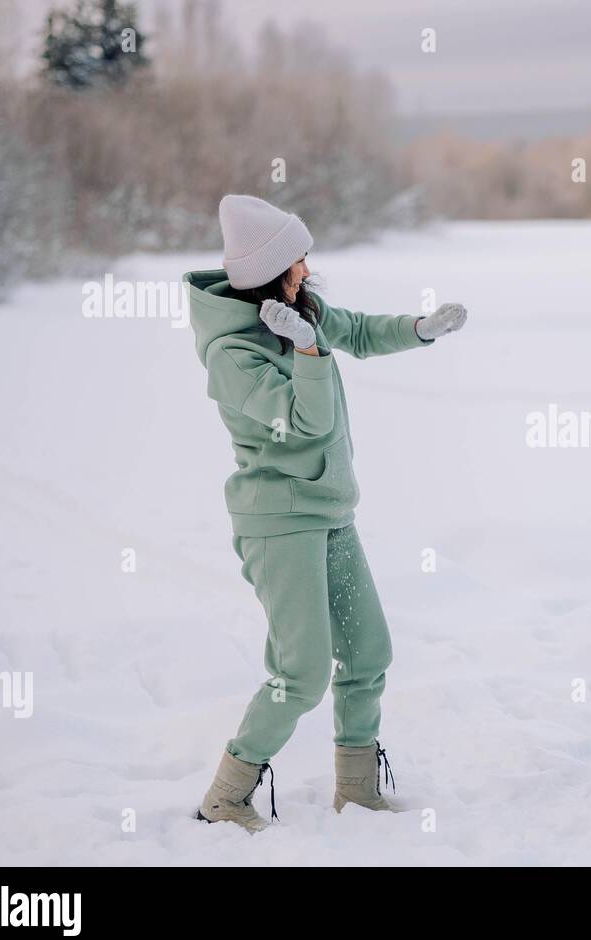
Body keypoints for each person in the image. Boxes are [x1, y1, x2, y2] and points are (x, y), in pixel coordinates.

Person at [184, 194, 468, 831]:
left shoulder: (298, 310)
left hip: (330, 510)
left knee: (369, 651)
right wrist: (309, 355)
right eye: (298, 261)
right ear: (270, 271)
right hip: (278, 521)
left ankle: (357, 790)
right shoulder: (232, 355)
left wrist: (421, 329)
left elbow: (360, 331)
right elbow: (308, 423)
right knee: (301, 673)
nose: (308, 270)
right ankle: (226, 797)